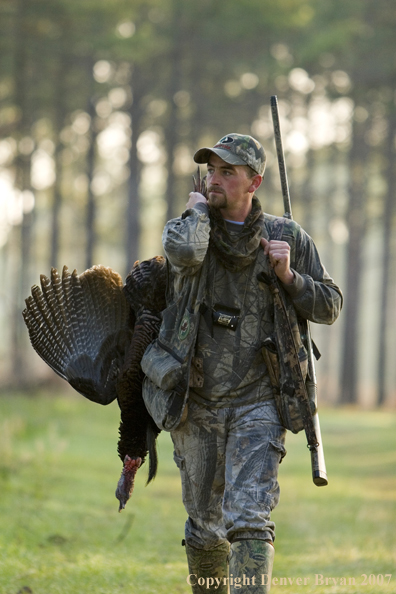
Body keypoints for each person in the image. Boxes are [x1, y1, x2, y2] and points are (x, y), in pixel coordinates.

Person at [148, 133, 343, 593]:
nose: (214, 179)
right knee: (203, 525)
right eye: (211, 171)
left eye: (227, 172)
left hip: (260, 400)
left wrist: (291, 277)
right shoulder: (187, 228)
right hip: (195, 400)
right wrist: (197, 209)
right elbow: (183, 255)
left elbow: (331, 305)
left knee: (251, 516)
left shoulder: (287, 236)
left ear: (253, 182)